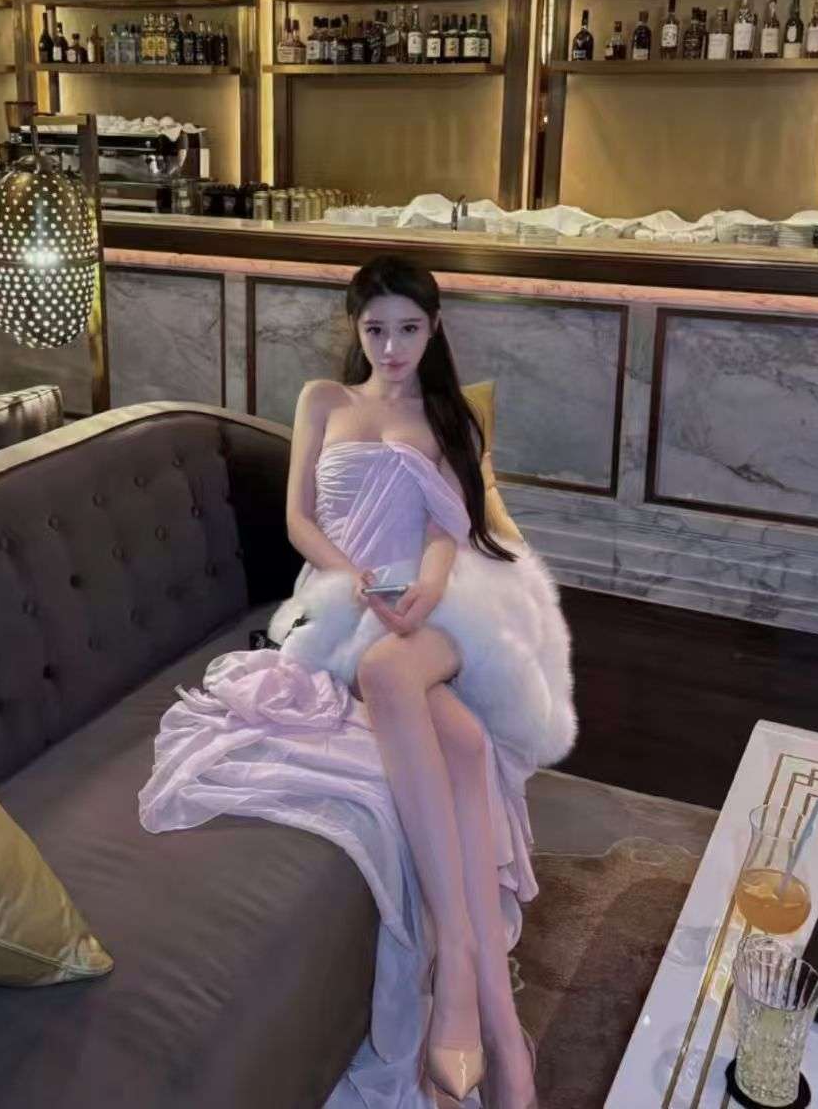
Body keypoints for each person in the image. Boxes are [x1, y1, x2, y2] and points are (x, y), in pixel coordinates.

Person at [140, 254, 576, 1108]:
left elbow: (451, 529)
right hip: (343, 597)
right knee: (463, 741)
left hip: (444, 602)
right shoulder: (323, 400)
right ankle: (501, 1039)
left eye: (407, 329)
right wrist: (355, 578)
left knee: (389, 670)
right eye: (375, 329)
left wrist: (424, 590)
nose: (391, 347)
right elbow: (299, 517)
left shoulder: (445, 416)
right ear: (354, 328)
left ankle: (455, 976)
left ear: (433, 328)